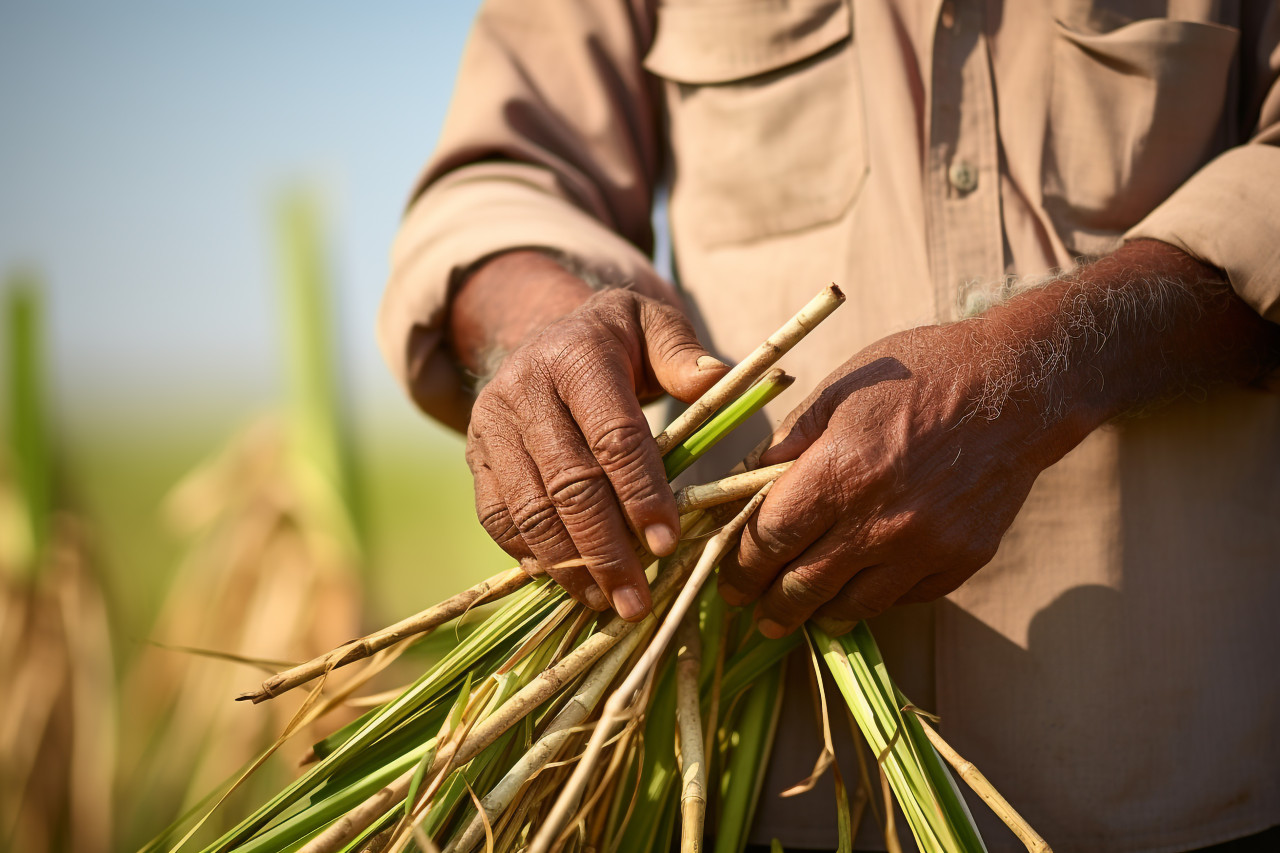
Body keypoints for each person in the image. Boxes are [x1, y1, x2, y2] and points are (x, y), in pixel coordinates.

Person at [378, 2, 1280, 850]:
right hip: (756, 795)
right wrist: (537, 321)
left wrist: (1048, 372)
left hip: (1198, 773)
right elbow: (498, 185)